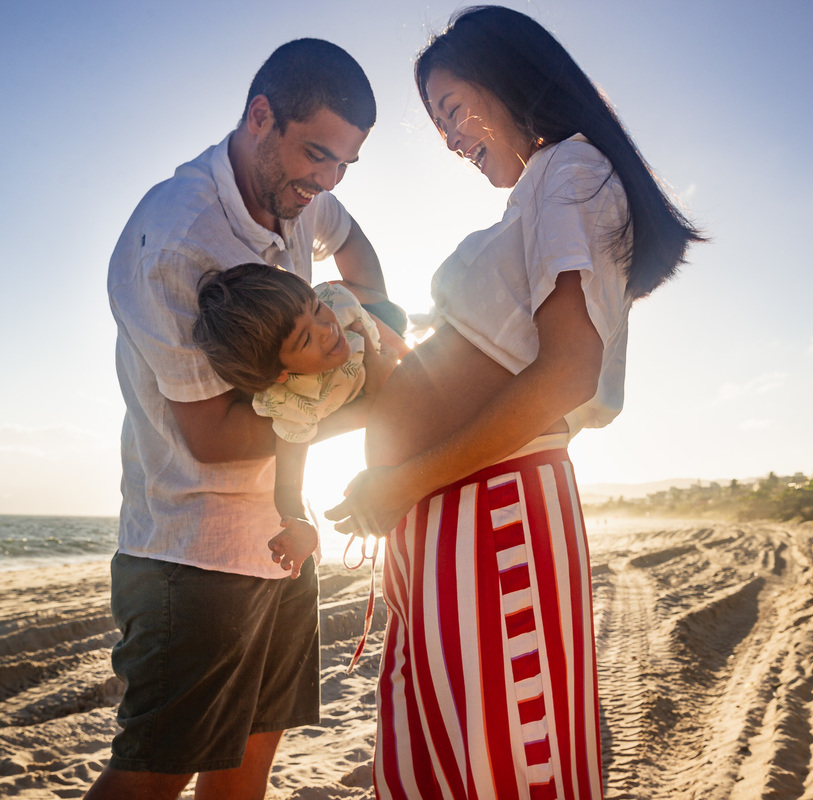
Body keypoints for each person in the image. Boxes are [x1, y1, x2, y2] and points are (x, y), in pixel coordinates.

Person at [325, 7, 705, 800]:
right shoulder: (537, 194)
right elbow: (478, 369)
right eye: (438, 123)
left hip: (488, 517)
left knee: (503, 770)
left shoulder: (572, 171)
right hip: (443, 516)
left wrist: (403, 481)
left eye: (455, 108)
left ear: (512, 81)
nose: (451, 137)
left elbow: (568, 372)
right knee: (434, 769)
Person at [86, 38, 386, 800]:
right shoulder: (176, 239)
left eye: (343, 166)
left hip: (282, 538)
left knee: (249, 768)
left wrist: (379, 324)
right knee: (153, 779)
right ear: (261, 117)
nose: (325, 181)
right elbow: (212, 439)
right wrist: (360, 393)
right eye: (317, 154)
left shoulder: (303, 192)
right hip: (193, 555)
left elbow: (353, 246)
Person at [192, 263, 401, 580]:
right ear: (280, 373)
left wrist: (401, 368)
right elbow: (288, 485)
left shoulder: (337, 303)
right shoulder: (294, 403)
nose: (325, 328)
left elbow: (398, 350)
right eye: (305, 340)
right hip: (380, 395)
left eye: (315, 309)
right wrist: (299, 522)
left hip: (388, 350)